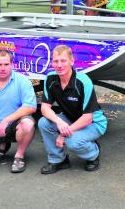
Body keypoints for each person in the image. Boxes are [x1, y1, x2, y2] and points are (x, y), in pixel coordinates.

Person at [38, 45, 108, 174]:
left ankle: (93, 154)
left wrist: (62, 134)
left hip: (94, 123)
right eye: (55, 61)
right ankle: (58, 160)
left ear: (71, 61)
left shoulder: (83, 81)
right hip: (70, 118)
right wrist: (59, 122)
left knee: (72, 141)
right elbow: (44, 108)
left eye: (63, 61)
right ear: (52, 62)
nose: (59, 65)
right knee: (43, 122)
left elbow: (88, 118)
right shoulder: (50, 79)